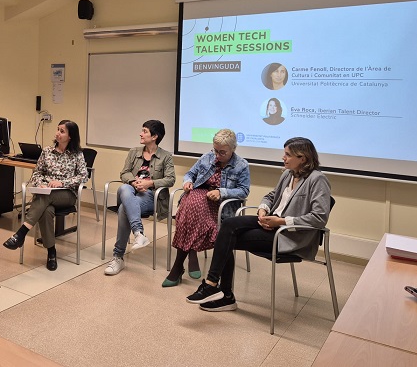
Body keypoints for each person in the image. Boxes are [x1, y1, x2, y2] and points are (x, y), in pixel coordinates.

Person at [186, 137, 331, 312]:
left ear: (303, 158)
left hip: (289, 234)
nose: (283, 157)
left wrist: (282, 221)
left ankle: (219, 291)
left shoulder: (318, 179)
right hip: (272, 221)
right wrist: (263, 209)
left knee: (225, 239)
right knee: (228, 225)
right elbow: (271, 196)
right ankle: (216, 288)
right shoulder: (288, 174)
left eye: (288, 155)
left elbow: (319, 217)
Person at [162, 128, 249, 287]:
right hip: (199, 195)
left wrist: (222, 192)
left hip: (222, 204)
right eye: (215, 150)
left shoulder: (241, 165)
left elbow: (244, 191)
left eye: (222, 152)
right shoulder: (207, 157)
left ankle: (178, 266)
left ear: (233, 149)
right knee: (191, 206)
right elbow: (190, 174)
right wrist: (187, 182)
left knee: (190, 211)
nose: (217, 155)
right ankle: (189, 255)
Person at [3, 120, 88, 271]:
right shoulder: (47, 151)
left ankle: (21, 233)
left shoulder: (77, 154)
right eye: (57, 129)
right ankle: (51, 252)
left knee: (44, 198)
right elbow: (37, 172)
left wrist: (62, 183)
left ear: (70, 136)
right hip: (46, 192)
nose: (57, 133)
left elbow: (83, 176)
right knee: (46, 210)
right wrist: (40, 184)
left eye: (62, 131)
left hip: (67, 194)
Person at [104, 120, 176, 276]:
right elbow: (124, 173)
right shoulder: (134, 152)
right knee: (124, 187)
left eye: (144, 131)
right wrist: (133, 182)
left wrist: (150, 183)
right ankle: (138, 233)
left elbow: (170, 179)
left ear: (155, 136)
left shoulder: (166, 156)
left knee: (123, 208)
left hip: (150, 196)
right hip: (130, 191)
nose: (140, 134)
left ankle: (118, 256)